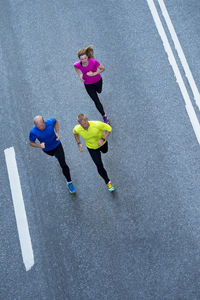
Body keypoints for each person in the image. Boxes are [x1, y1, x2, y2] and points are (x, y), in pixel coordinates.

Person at [29, 116, 76, 193]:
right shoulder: (33, 132)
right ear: (35, 125)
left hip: (57, 145)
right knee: (56, 156)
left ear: (44, 121)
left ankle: (69, 182)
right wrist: (39, 146)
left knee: (63, 164)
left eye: (41, 124)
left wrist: (57, 132)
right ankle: (56, 156)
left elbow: (56, 121)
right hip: (47, 150)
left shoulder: (50, 122)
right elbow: (31, 143)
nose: (40, 126)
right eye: (38, 125)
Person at [73, 114, 114, 192]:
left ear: (87, 119)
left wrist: (102, 139)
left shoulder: (97, 124)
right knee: (99, 165)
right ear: (79, 122)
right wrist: (79, 144)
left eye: (85, 121)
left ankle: (102, 149)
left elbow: (109, 128)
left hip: (102, 144)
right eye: (82, 123)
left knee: (105, 151)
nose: (84, 124)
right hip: (92, 148)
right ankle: (108, 182)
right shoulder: (77, 128)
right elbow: (75, 133)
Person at [74, 45, 109, 124]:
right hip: (88, 84)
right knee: (96, 101)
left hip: (97, 81)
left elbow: (103, 68)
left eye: (85, 58)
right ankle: (104, 116)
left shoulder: (93, 62)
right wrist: (79, 75)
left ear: (87, 57)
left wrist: (94, 73)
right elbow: (75, 67)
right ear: (79, 59)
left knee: (99, 91)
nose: (84, 60)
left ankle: (99, 90)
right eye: (82, 59)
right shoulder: (78, 64)